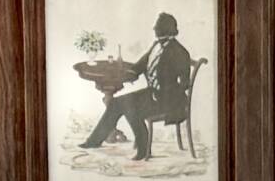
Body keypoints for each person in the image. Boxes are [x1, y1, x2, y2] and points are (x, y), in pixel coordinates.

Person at [75, 12, 202, 163]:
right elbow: (141, 65)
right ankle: (94, 141)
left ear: (165, 29)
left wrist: (163, 95)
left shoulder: (180, 52)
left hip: (170, 101)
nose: (154, 28)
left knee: (131, 108)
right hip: (153, 93)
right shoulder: (156, 45)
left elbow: (184, 84)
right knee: (116, 102)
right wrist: (123, 71)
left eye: (157, 26)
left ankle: (143, 149)